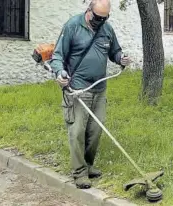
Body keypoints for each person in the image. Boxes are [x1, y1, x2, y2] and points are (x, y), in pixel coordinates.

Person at [49, 0, 131, 189]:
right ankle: (79, 173)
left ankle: (88, 164)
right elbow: (58, 55)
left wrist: (121, 58)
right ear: (89, 11)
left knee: (95, 131)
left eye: (104, 18)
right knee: (77, 131)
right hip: (77, 90)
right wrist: (60, 73)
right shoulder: (73, 26)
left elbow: (115, 51)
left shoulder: (107, 29)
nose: (100, 22)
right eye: (97, 18)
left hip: (99, 89)